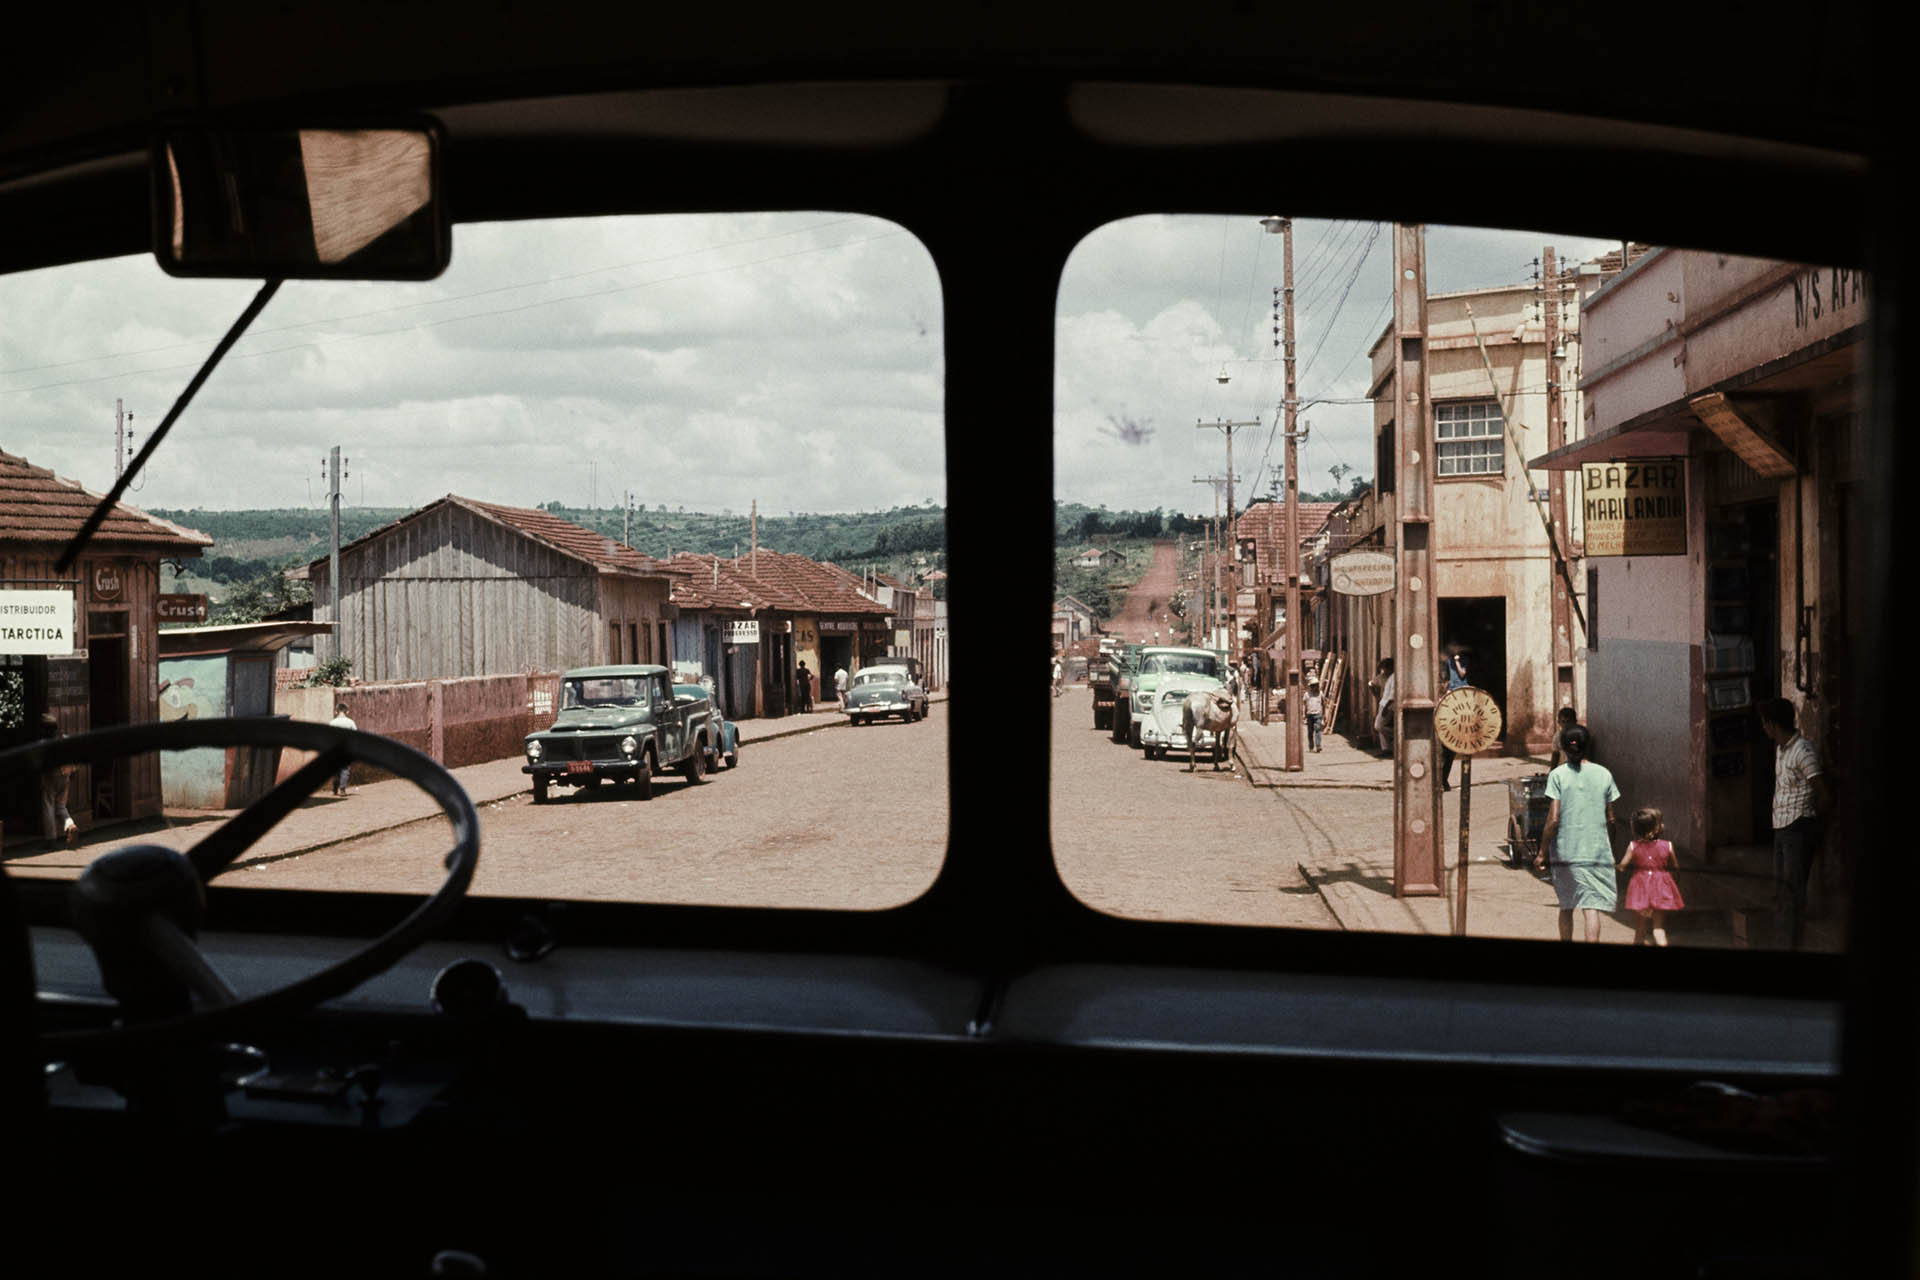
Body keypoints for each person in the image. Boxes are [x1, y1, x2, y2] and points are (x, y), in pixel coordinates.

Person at [1535, 724, 1620, 942]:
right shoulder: (1604, 774)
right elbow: (1611, 819)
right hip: (1597, 851)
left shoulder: (1557, 775)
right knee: (1591, 906)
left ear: (1563, 747)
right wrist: (1607, 845)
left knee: (1566, 904)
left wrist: (1542, 852)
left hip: (1567, 851)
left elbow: (1553, 820)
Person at [1758, 696, 1830, 950]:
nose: (1763, 728)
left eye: (1765, 723)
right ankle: (1782, 942)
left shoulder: (1803, 751)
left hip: (1798, 828)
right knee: (1781, 891)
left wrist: (1812, 825)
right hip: (1782, 827)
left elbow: (1822, 792)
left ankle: (1789, 946)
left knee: (1791, 893)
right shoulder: (1780, 749)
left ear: (1773, 724)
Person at [1617, 805, 1684, 947]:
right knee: (1659, 929)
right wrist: (1672, 884)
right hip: (1660, 890)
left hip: (1640, 890)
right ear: (1654, 829)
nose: (1663, 825)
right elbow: (1676, 868)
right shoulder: (1668, 845)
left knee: (1640, 929)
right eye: (1661, 823)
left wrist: (1614, 864)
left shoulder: (1633, 846)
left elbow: (1622, 866)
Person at [37, 714, 77, 846]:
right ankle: (70, 825)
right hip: (65, 775)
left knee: (48, 805)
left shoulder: (42, 743)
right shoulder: (65, 738)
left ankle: (50, 839)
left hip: (50, 776)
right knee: (60, 806)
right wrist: (72, 772)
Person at [1438, 650, 1470, 790]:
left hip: (1450, 730)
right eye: (1441, 683)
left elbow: (1462, 673)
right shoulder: (1433, 697)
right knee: (1440, 755)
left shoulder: (1461, 661)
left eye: (1445, 683)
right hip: (1439, 730)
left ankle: (1443, 780)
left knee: (1449, 754)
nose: (1443, 686)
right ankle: (1439, 780)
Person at [329, 702, 357, 796]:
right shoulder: (350, 722)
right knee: (345, 769)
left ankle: (334, 789)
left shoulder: (332, 723)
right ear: (347, 712)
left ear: (336, 711)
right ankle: (342, 789)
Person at [1371, 658, 1395, 756]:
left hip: (1388, 705)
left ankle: (1398, 736)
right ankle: (1386, 749)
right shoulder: (1387, 677)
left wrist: (1386, 707)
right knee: (1380, 726)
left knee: (1379, 726)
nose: (1383, 671)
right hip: (1383, 702)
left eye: (1385, 669)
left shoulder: (1394, 677)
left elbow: (1392, 695)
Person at [1303, 677, 1324, 753]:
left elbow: (1323, 703)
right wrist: (1304, 715)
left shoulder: (1320, 693)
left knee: (1317, 730)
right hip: (1309, 715)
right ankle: (1311, 747)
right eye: (1314, 685)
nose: (1315, 687)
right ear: (1311, 686)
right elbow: (1304, 705)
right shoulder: (1307, 694)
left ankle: (1318, 746)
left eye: (1316, 685)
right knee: (1310, 732)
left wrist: (1323, 715)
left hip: (1318, 714)